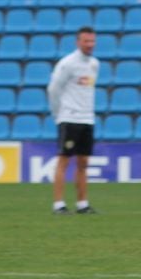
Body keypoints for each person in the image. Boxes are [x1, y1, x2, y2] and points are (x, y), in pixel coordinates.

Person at [47, 26, 100, 215]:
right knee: (64, 161)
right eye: (86, 41)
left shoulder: (94, 64)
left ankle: (82, 204)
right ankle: (58, 204)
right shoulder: (68, 63)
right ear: (78, 42)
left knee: (83, 162)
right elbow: (53, 89)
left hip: (87, 119)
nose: (90, 45)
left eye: (92, 41)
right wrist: (57, 113)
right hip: (69, 118)